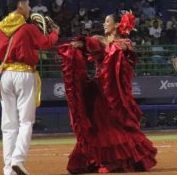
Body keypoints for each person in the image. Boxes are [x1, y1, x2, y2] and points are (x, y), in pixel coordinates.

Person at [59, 12, 157, 173]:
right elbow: (92, 43)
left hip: (114, 95)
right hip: (98, 92)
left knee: (114, 126)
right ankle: (94, 159)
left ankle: (116, 160)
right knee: (97, 127)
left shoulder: (124, 42)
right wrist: (81, 44)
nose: (104, 24)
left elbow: (122, 50)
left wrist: (105, 45)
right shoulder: (100, 39)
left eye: (107, 21)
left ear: (118, 24)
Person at [0, 0, 60, 175]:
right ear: (20, 5)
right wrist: (55, 33)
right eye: (28, 5)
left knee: (8, 125)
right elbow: (45, 44)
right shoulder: (28, 29)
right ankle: (18, 160)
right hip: (24, 73)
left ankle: (8, 170)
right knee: (26, 121)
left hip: (5, 74)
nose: (30, 9)